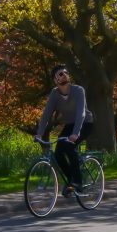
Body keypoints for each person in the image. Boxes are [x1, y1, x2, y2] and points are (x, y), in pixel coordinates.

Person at [36, 64, 95, 196]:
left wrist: (76, 133)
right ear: (55, 80)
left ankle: (78, 183)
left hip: (85, 123)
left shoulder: (78, 90)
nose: (64, 75)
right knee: (58, 154)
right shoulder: (54, 94)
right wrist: (39, 133)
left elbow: (81, 113)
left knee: (69, 147)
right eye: (60, 74)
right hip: (69, 124)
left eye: (66, 72)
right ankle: (71, 181)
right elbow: (46, 115)